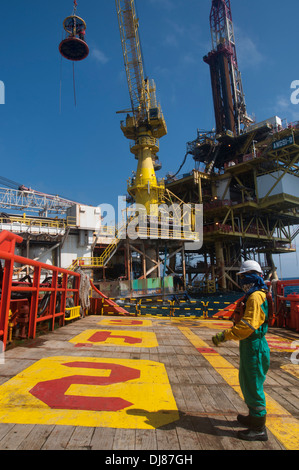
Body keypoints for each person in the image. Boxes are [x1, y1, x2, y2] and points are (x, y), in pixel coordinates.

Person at [212, 260, 270, 442]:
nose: (242, 281)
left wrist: (225, 335)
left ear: (252, 276)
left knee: (253, 385)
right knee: (246, 381)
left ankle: (259, 428)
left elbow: (248, 326)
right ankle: (253, 417)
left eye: (244, 277)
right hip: (249, 345)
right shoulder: (256, 294)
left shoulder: (255, 297)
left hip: (254, 345)